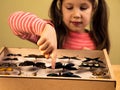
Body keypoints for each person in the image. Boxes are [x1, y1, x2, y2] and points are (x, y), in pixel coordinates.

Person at [8, 0, 110, 69]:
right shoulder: (51, 31)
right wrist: (44, 28)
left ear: (93, 9)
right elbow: (13, 20)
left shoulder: (97, 39)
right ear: (60, 8)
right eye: (69, 8)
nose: (76, 15)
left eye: (83, 8)